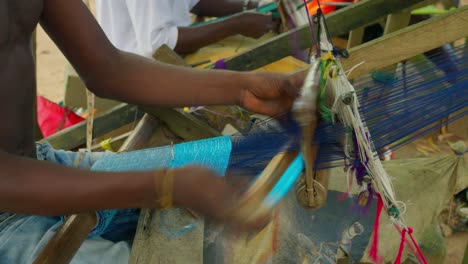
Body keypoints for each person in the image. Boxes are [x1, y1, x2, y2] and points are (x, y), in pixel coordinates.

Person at [0, 0, 306, 262]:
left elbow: (107, 67)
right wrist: (164, 186)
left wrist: (241, 88)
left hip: (41, 165)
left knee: (244, 162)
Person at [95, 0, 278, 56]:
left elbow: (191, 2)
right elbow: (159, 44)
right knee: (269, 58)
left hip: (171, 56)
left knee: (268, 42)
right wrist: (237, 24)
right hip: (149, 71)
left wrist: (251, 7)